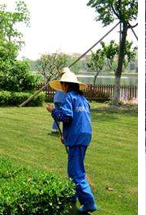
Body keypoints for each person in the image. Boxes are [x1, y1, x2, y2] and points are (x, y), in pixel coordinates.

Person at [47, 70, 97, 214]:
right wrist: (67, 136)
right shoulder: (83, 99)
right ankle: (72, 196)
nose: (62, 87)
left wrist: (52, 111)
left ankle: (89, 203)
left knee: (76, 172)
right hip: (85, 136)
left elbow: (66, 117)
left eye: (62, 84)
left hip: (76, 137)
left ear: (65, 85)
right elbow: (79, 119)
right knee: (74, 168)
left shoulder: (69, 97)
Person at [52, 67, 71, 134]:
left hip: (56, 99)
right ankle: (65, 130)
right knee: (64, 115)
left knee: (56, 114)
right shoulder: (68, 81)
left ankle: (54, 128)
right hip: (62, 100)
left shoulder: (60, 80)